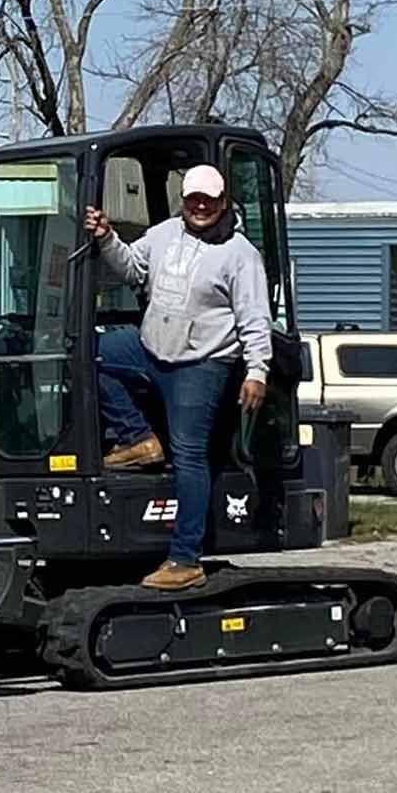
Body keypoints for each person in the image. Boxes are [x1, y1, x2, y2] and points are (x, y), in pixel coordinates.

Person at [83, 164, 272, 591]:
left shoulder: (240, 255)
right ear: (183, 200)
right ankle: (138, 440)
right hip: (152, 348)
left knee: (190, 456)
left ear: (223, 202)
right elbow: (132, 269)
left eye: (209, 199)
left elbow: (255, 318)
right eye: (193, 199)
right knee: (91, 354)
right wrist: (107, 238)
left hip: (202, 365)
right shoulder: (164, 233)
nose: (200, 206)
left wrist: (257, 370)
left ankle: (186, 559)